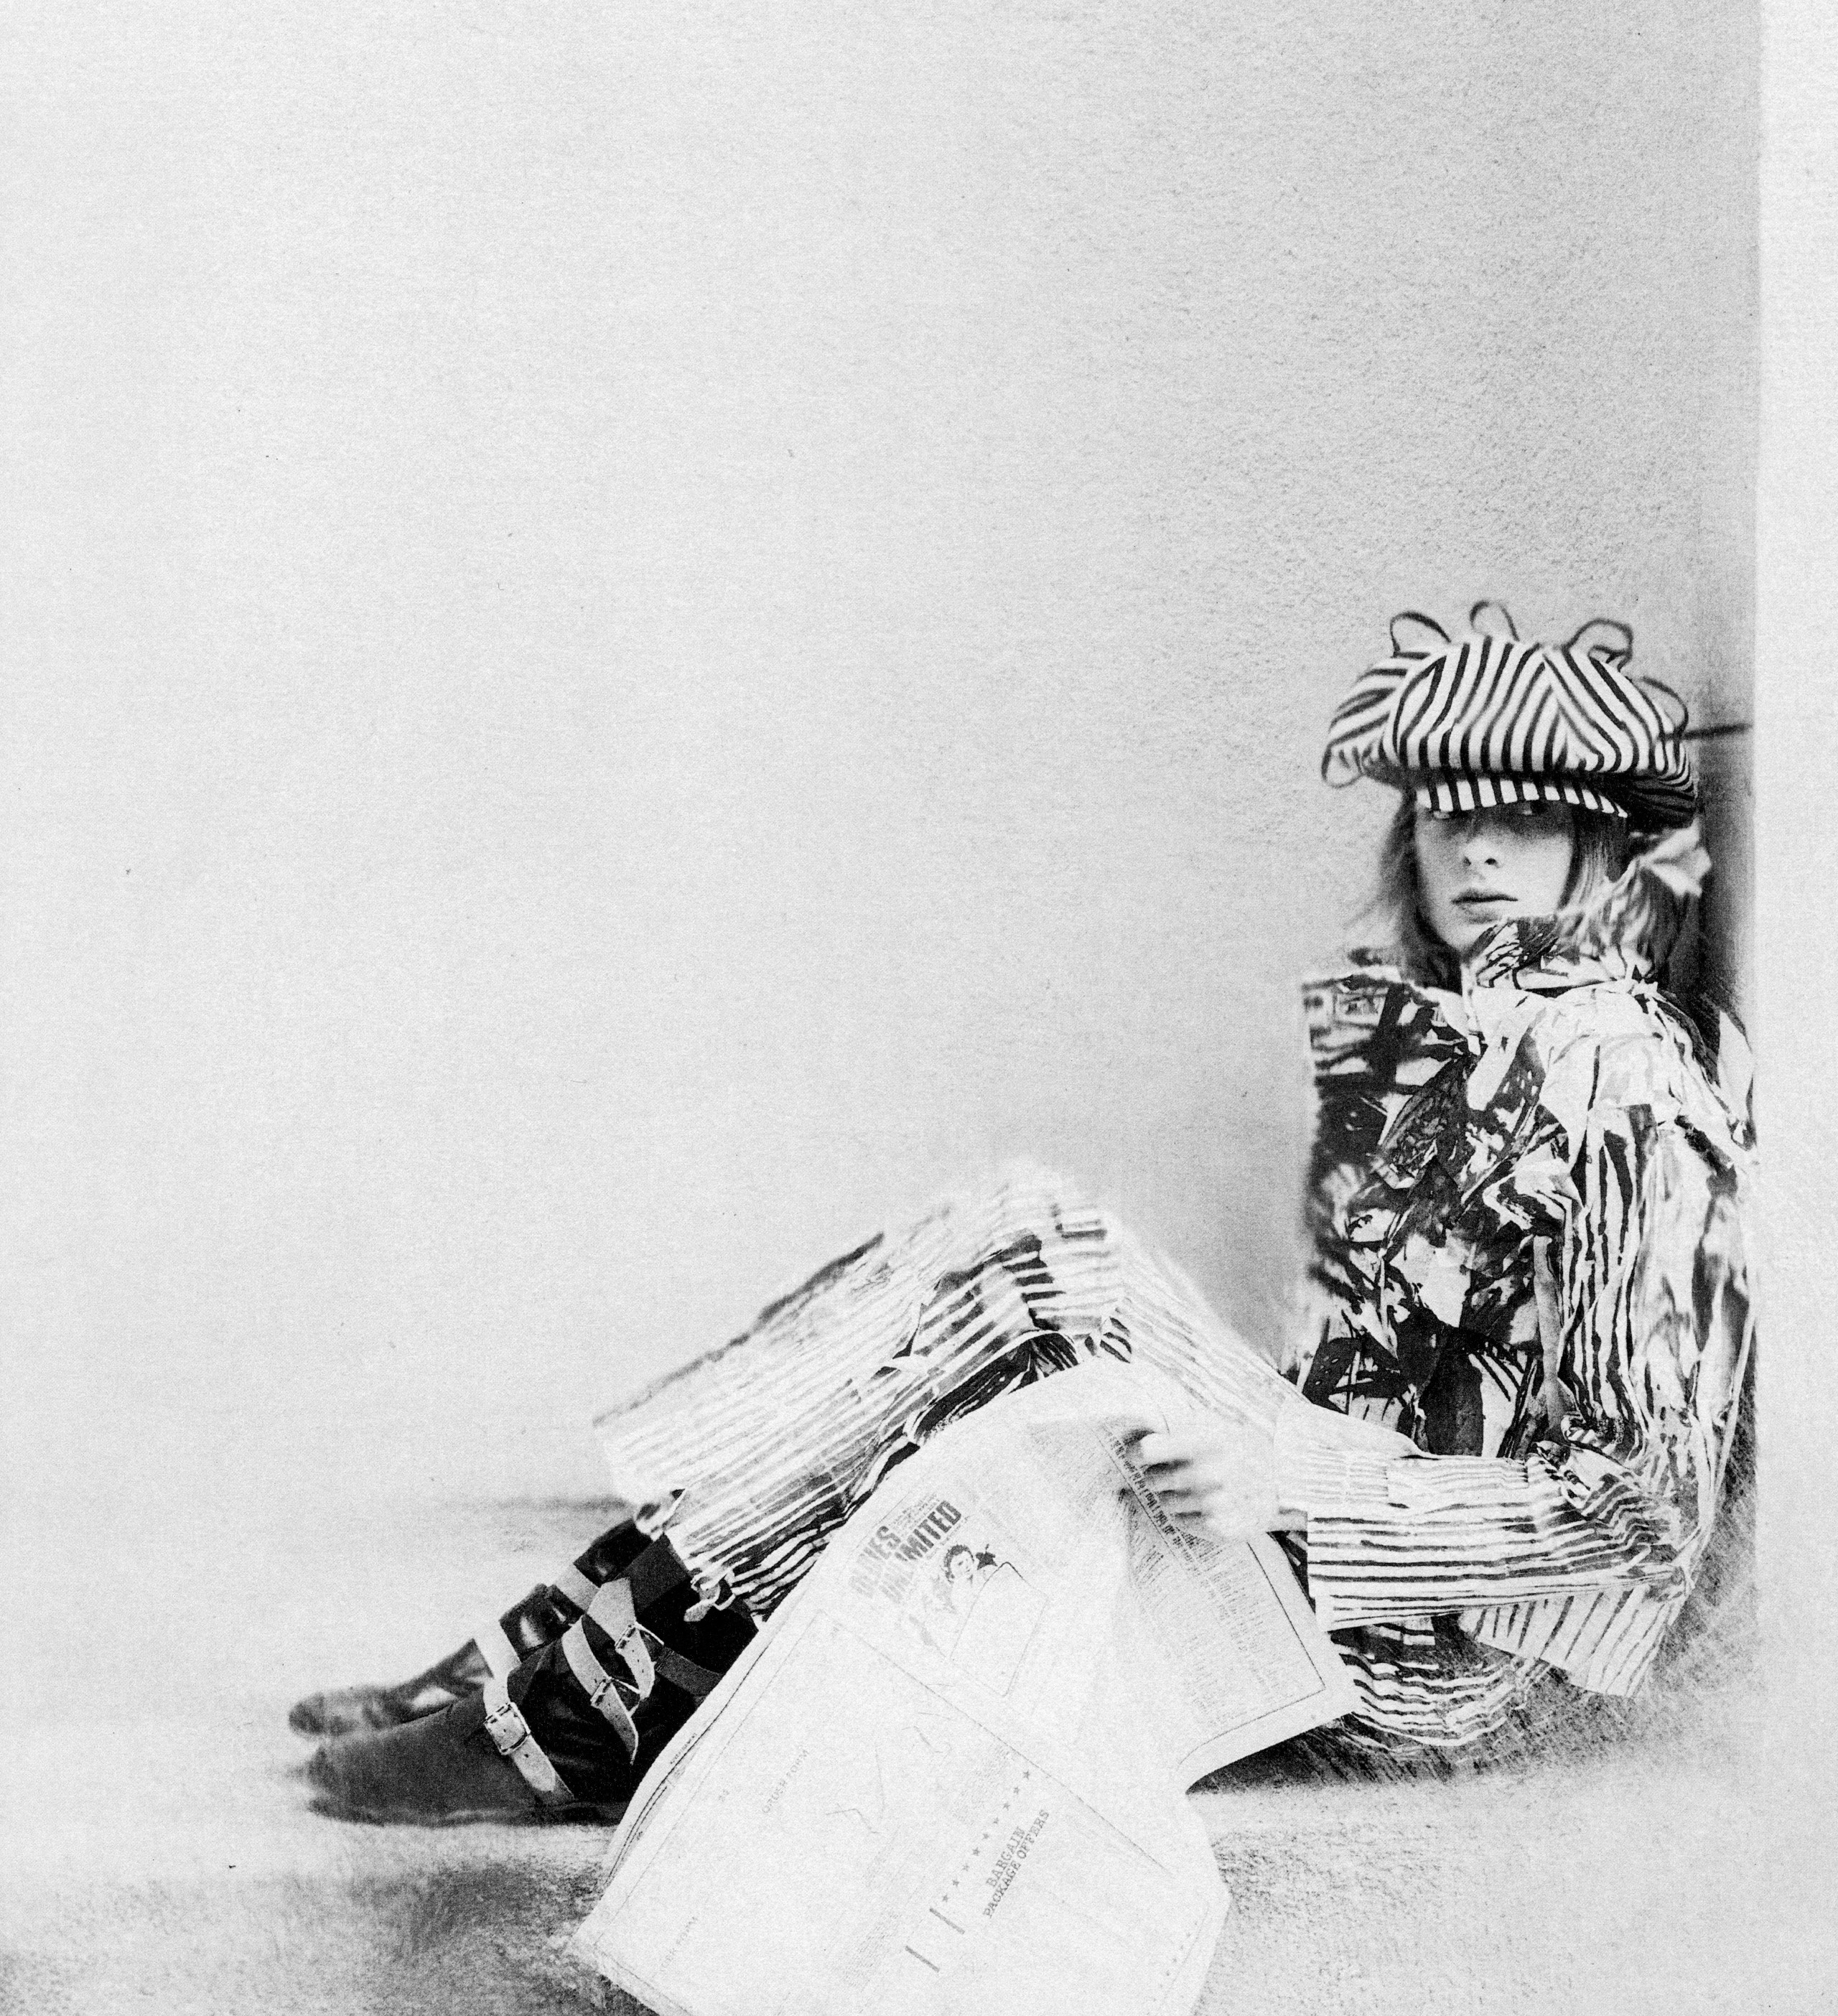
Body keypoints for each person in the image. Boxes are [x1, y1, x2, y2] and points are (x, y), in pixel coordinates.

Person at [297, 602, 1753, 1823]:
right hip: (1331, 1547)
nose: (1477, 851)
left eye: (1525, 818)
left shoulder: (1631, 1090)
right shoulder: (1463, 1039)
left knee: (1032, 1274)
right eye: (1446, 813)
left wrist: (1291, 1485)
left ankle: (581, 1700)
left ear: (1605, 852)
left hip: (1440, 1662)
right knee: (1028, 1236)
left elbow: (1641, 1512)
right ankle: (577, 1653)